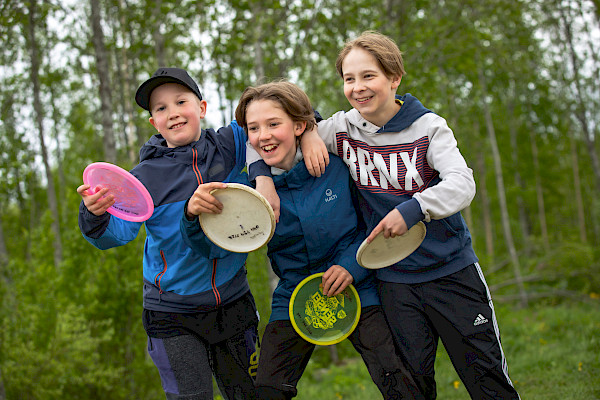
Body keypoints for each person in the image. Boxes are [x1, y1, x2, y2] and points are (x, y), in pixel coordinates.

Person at [249, 32, 521, 400]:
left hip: (451, 270)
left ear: (394, 78)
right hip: (393, 280)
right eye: (349, 79)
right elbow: (266, 139)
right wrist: (299, 143)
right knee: (413, 385)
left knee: (486, 377)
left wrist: (413, 209)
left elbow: (462, 183)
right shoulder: (340, 129)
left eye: (368, 76)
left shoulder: (429, 127)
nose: (358, 87)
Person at [184, 80, 424, 400]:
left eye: (273, 124)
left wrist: (351, 266)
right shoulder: (247, 191)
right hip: (294, 295)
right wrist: (191, 217)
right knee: (267, 389)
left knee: (395, 376)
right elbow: (213, 247)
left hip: (356, 284)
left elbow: (374, 222)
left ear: (299, 125)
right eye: (253, 129)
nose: (263, 135)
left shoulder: (337, 164)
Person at [77, 67, 263, 400]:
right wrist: (94, 214)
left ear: (202, 108)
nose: (173, 112)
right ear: (154, 123)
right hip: (172, 313)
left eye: (181, 101)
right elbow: (115, 235)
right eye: (161, 108)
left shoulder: (231, 144)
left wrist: (306, 134)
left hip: (234, 302)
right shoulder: (144, 178)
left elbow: (275, 114)